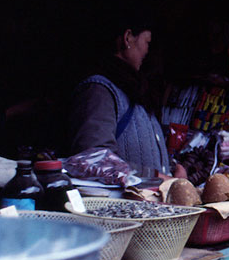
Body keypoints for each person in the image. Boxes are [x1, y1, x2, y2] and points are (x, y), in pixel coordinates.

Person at [68, 11, 173, 177]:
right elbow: (93, 159)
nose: (148, 51)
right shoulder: (99, 91)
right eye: (147, 42)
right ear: (128, 37)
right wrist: (156, 177)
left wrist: (173, 169)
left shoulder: (133, 90)